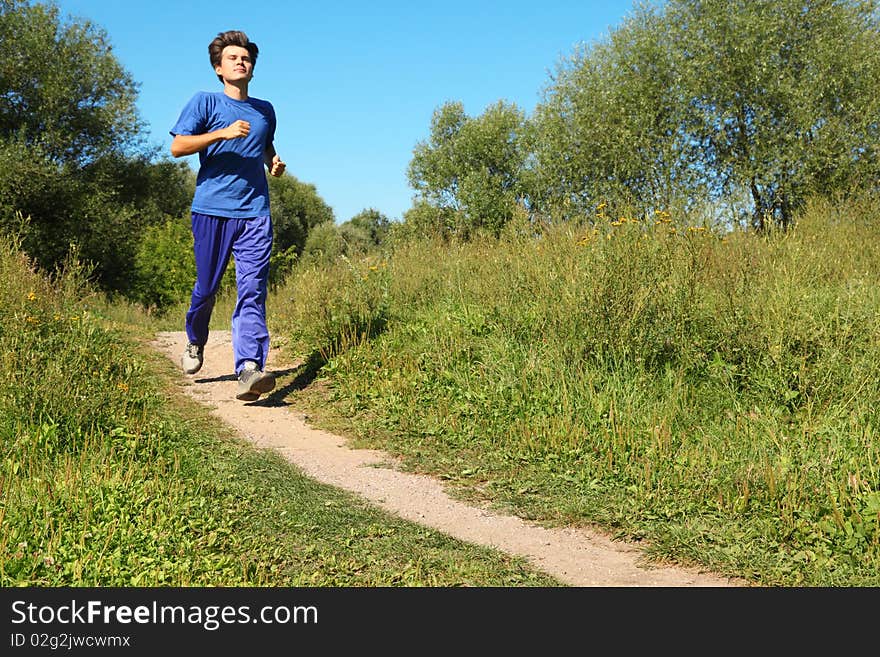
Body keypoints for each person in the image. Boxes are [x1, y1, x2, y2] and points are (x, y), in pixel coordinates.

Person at [169, 30, 285, 402]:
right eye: (233, 58)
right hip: (212, 208)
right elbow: (177, 146)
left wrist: (273, 163)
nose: (241, 62)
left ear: (252, 68)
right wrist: (221, 133)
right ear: (219, 68)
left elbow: (265, 146)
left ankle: (249, 367)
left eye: (246, 58)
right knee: (207, 288)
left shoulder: (265, 109)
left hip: (254, 211)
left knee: (252, 288)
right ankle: (195, 340)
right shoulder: (204, 102)